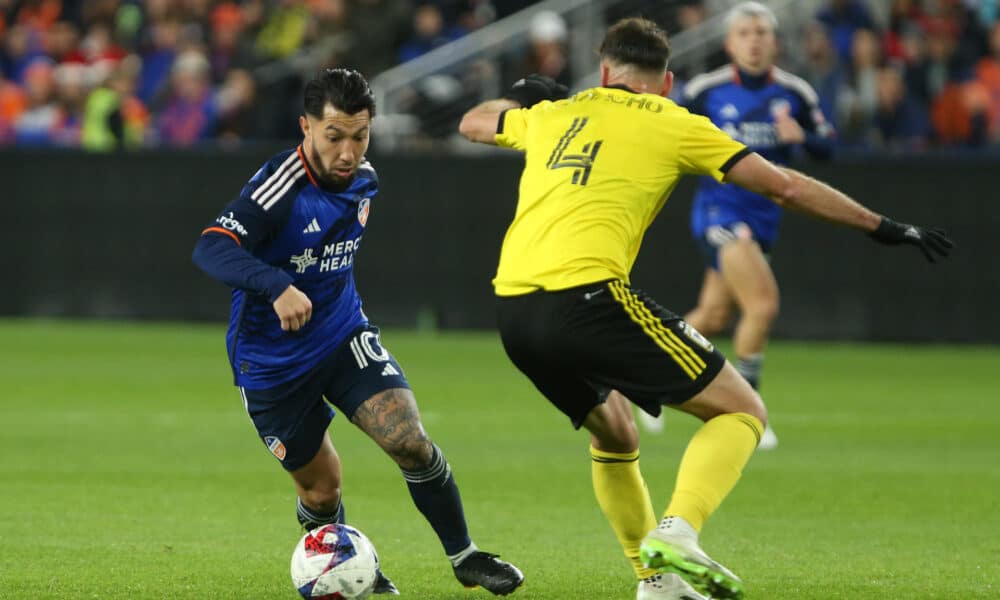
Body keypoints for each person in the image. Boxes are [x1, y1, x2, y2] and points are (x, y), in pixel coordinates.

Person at [458, 17, 951, 600]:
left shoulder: (553, 114)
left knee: (615, 435)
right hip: (586, 297)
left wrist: (522, 94)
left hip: (513, 311)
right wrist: (882, 225)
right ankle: (679, 533)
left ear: (604, 71)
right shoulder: (675, 122)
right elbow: (783, 186)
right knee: (742, 411)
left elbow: (474, 122)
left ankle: (657, 583)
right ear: (665, 82)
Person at [191, 68, 524, 597]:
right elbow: (210, 246)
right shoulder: (280, 185)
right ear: (305, 127)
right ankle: (348, 567)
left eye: (360, 135)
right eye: (334, 136)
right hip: (272, 363)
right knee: (323, 491)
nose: (348, 152)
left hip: (343, 336)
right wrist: (276, 285)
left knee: (410, 441)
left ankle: (465, 557)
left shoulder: (365, 178)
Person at [641, 2, 837, 447]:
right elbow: (660, 127)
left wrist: (802, 138)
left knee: (713, 314)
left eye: (761, 33)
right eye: (744, 33)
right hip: (720, 213)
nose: (753, 40)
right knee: (763, 304)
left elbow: (828, 146)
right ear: (729, 43)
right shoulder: (706, 91)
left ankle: (639, 377)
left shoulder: (795, 93)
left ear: (774, 42)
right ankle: (751, 411)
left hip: (765, 217)